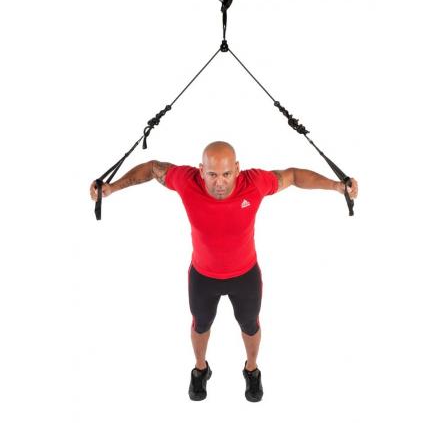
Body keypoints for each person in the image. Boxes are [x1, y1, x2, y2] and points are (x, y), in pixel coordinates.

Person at [90, 140, 358, 402]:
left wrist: (337, 186)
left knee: (250, 326)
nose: (219, 182)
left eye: (227, 174)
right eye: (212, 174)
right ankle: (200, 369)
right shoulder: (187, 181)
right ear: (201, 170)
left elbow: (294, 176)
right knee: (200, 325)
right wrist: (111, 188)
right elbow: (152, 168)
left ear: (237, 169)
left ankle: (251, 369)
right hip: (203, 277)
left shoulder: (255, 183)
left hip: (245, 276)